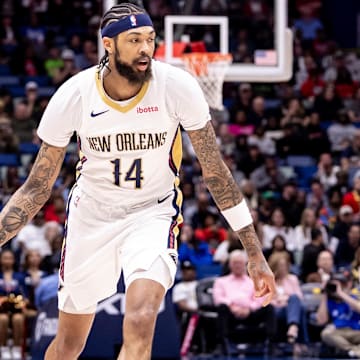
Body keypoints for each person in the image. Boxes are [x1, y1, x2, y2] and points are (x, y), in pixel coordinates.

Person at [0, 3, 276, 360]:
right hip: (92, 215)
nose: (146, 49)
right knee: (69, 344)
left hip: (152, 213)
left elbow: (216, 172)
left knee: (142, 318)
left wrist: (253, 251)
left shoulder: (176, 86)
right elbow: (38, 187)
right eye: (134, 40)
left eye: (150, 39)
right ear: (108, 44)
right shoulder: (74, 94)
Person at [213, 250, 277, 354]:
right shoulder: (221, 281)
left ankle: (270, 342)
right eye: (235, 263)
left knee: (269, 307)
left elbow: (259, 299)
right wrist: (232, 306)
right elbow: (218, 298)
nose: (237, 265)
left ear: (245, 264)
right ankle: (223, 344)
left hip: (250, 314)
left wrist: (249, 309)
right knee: (222, 308)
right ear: (230, 265)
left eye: (240, 263)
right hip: (231, 314)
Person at [315, 270, 360, 358]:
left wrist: (341, 293)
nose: (338, 287)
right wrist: (325, 293)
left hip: (356, 331)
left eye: (342, 284)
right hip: (338, 332)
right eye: (335, 285)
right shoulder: (329, 302)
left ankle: (355, 352)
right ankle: (353, 350)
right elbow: (321, 321)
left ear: (348, 284)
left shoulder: (354, 297)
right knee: (326, 334)